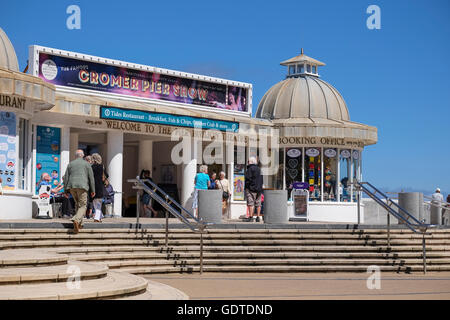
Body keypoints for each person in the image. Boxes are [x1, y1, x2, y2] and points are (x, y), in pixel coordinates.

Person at [63, 149, 95, 234]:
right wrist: (93, 190)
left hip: (72, 187)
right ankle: (76, 219)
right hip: (82, 186)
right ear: (83, 155)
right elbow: (91, 178)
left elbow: (66, 177)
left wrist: (65, 190)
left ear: (76, 156)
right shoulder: (87, 164)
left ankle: (79, 224)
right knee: (83, 205)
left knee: (78, 204)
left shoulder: (71, 164)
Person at [245, 156, 263, 222]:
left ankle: (251, 217)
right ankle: (258, 217)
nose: (247, 162)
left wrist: (247, 187)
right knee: (258, 203)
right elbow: (261, 179)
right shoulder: (259, 169)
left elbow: (248, 179)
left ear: (250, 162)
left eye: (248, 161)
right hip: (259, 189)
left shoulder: (250, 169)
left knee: (251, 203)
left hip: (251, 189)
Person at [91, 153, 107, 222]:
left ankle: (98, 217)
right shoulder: (102, 166)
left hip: (93, 186)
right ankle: (98, 217)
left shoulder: (91, 167)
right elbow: (106, 176)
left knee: (95, 202)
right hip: (100, 186)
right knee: (99, 203)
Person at [84, 155, 94, 219]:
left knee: (87, 200)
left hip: (86, 185)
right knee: (90, 200)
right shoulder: (91, 167)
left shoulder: (85, 167)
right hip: (89, 185)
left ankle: (87, 214)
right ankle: (89, 214)